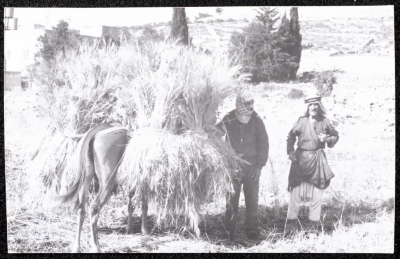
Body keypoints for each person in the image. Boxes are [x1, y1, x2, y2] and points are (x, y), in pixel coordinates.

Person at [217, 92, 269, 240]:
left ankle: (252, 231)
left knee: (252, 201)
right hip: (233, 167)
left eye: (252, 103)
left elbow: (263, 144)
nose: (251, 106)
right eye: (247, 104)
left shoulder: (256, 120)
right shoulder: (230, 117)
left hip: (252, 167)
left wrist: (259, 166)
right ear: (240, 104)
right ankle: (229, 232)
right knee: (231, 201)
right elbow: (217, 131)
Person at [286, 94, 339, 229]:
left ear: (320, 106)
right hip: (300, 159)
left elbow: (335, 136)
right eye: (310, 105)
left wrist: (327, 139)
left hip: (317, 159)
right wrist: (290, 152)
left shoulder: (325, 121)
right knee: (295, 192)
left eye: (316, 104)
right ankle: (291, 223)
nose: (313, 107)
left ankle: (313, 226)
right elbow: (290, 136)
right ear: (307, 107)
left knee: (317, 193)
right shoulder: (302, 121)